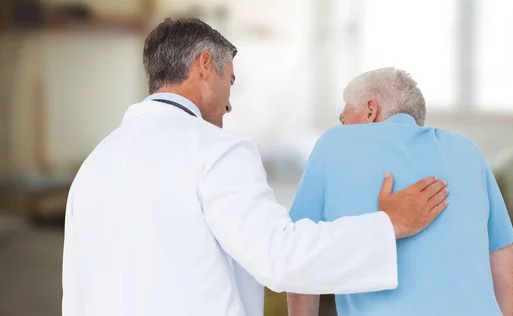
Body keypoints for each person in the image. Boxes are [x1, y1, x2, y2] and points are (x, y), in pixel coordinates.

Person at [61, 19, 450, 316]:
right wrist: (389, 225)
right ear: (204, 66)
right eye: (230, 81)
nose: (229, 105)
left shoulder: (96, 163)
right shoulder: (216, 150)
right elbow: (280, 258)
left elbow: (76, 291)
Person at [288, 68, 513, 316]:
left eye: (344, 118)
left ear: (370, 109)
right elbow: (511, 277)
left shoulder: (335, 143)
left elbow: (299, 267)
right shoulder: (467, 150)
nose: (343, 126)